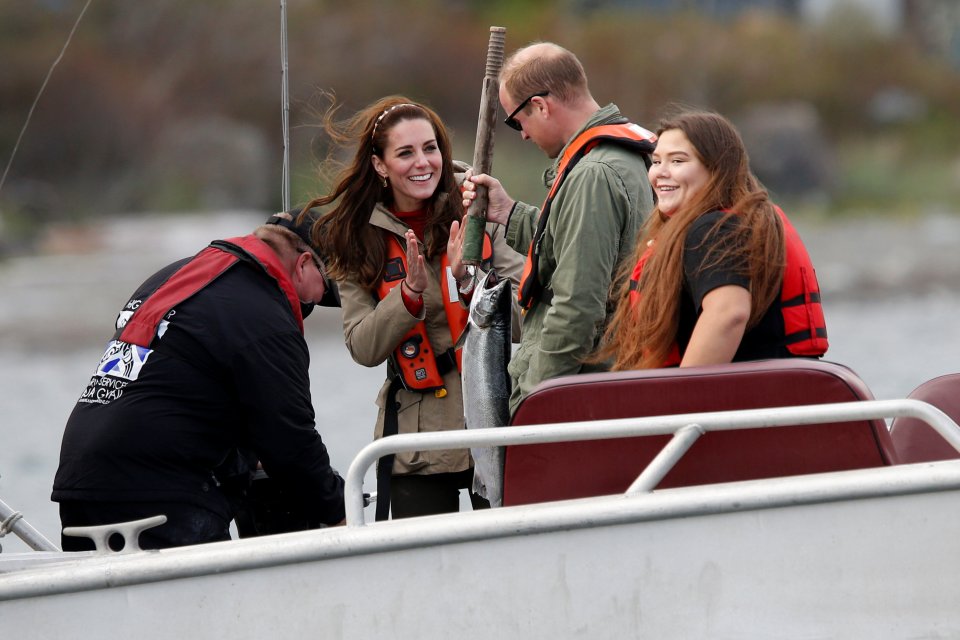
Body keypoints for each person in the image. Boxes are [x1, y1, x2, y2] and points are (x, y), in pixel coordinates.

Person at [52, 210, 346, 551]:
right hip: (160, 490)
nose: (312, 303)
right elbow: (291, 440)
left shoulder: (176, 275)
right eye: (323, 291)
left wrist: (250, 456)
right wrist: (340, 515)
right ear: (305, 263)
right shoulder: (264, 314)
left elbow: (176, 378)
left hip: (81, 479)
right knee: (203, 603)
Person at [300, 95, 523, 520]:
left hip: (494, 417)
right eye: (405, 152)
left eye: (430, 148)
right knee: (421, 572)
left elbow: (530, 318)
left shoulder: (477, 209)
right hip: (415, 440)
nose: (423, 162)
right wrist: (408, 296)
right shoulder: (352, 236)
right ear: (380, 165)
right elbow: (363, 347)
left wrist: (469, 279)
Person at [462, 41, 656, 415]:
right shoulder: (622, 156)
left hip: (578, 400)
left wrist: (534, 400)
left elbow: (577, 309)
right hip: (602, 386)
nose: (521, 134)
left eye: (517, 121)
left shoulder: (593, 175)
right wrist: (509, 212)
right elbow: (583, 245)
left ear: (540, 105)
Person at [597, 109, 828, 370]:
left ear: (716, 169)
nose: (659, 173)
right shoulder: (734, 222)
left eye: (677, 161)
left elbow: (728, 314)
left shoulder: (715, 229)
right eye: (657, 161)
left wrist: (681, 399)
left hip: (740, 401)